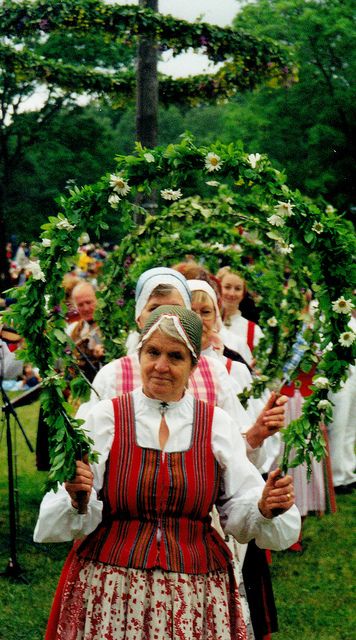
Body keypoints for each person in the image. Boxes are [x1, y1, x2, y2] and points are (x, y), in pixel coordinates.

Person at [34, 306, 300, 640]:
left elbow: (239, 503)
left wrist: (262, 507)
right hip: (111, 587)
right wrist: (77, 497)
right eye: (153, 352)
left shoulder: (216, 424)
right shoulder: (106, 419)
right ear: (139, 354)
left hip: (196, 591)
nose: (161, 366)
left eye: (175, 356)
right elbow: (69, 500)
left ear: (193, 365)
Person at [188, 279, 282, 639]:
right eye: (190, 310)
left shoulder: (232, 369)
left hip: (224, 497)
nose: (197, 319)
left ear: (216, 316)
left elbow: (250, 445)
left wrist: (256, 434)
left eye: (205, 311)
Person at [217, 267, 263, 353]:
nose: (232, 293)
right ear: (218, 288)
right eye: (227, 287)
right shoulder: (207, 322)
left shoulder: (254, 331)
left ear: (243, 293)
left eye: (237, 289)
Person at [66, 282, 104, 383]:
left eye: (89, 302)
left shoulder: (112, 324)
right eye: (80, 305)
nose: (86, 308)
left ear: (97, 299)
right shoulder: (73, 331)